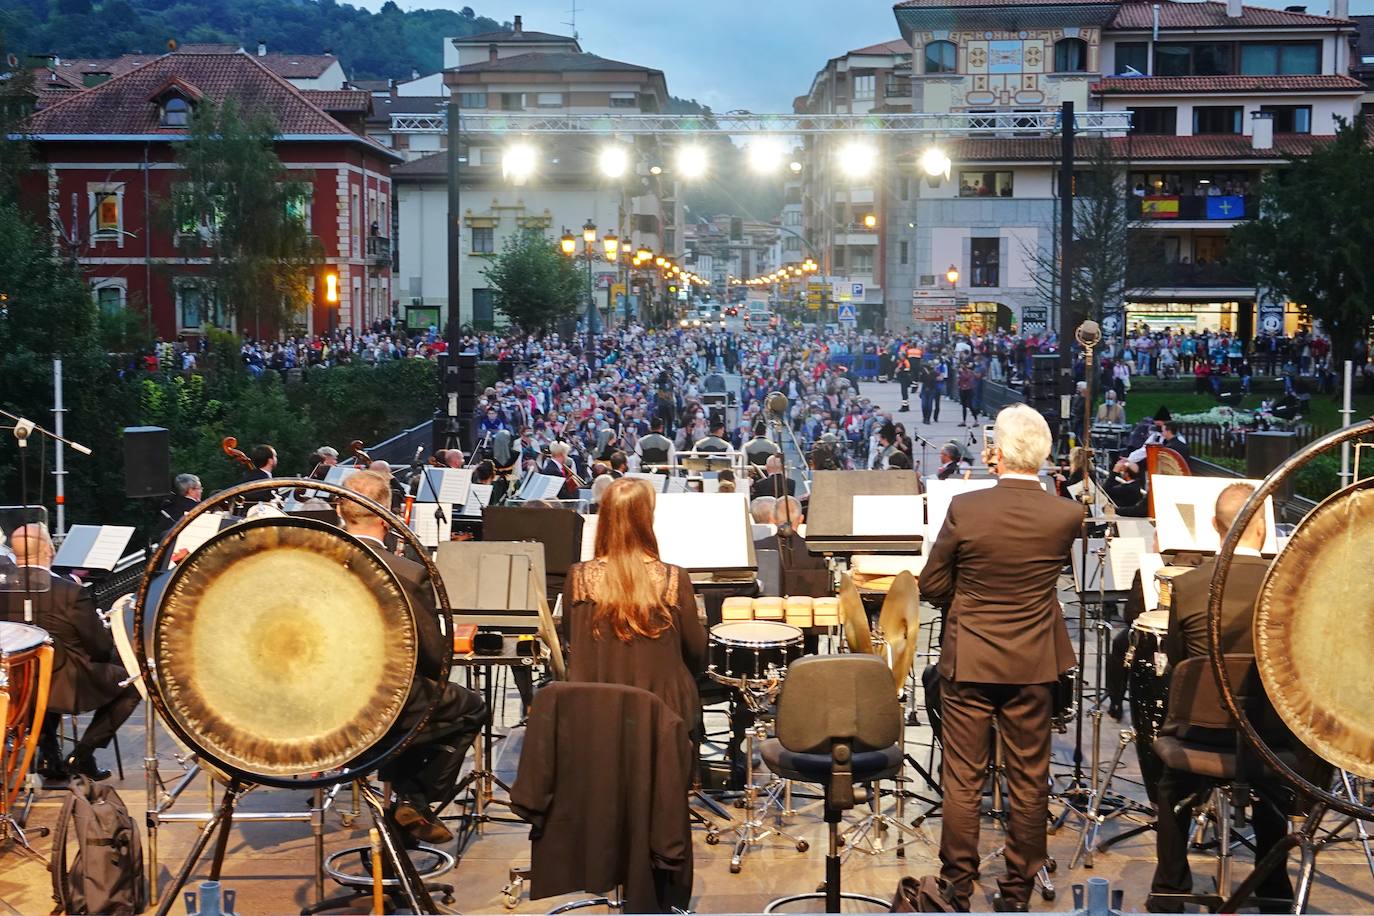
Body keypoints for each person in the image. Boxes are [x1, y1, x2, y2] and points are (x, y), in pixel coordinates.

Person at [920, 405, 1083, 912]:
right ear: (1044, 454)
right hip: (1034, 663)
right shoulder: (1066, 514)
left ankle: (957, 889)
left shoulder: (967, 509)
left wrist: (964, 601)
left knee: (963, 779)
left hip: (969, 659)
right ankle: (1016, 893)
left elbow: (931, 584)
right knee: (1030, 780)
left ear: (996, 452)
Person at [1149, 483, 1295, 911]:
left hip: (1201, 736)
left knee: (1170, 783)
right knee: (1274, 783)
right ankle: (1273, 889)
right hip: (1268, 739)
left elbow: (1178, 663)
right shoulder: (1286, 586)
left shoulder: (1192, 585)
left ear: (1216, 528)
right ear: (1264, 530)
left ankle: (1169, 888)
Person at [340, 472, 487, 845]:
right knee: (467, 707)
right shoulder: (405, 572)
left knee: (413, 716)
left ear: (341, 511)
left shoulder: (310, 564)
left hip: (325, 713)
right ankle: (414, 800)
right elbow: (433, 654)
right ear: (385, 514)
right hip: (381, 707)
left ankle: (403, 818)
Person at [558, 478, 706, 735]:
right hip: (662, 715)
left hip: (594, 712)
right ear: (645, 519)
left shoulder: (578, 577)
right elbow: (697, 651)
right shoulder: (673, 577)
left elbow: (572, 639)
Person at [0, 523, 141, 781]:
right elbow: (99, 647)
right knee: (133, 684)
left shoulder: (3, 591)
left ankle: (48, 753)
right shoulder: (70, 592)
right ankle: (82, 756)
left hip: (16, 689)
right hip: (67, 688)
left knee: (42, 668)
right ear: (49, 550)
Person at [156, 473, 203, 540]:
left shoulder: (168, 506)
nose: (201, 491)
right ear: (190, 490)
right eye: (199, 488)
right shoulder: (200, 508)